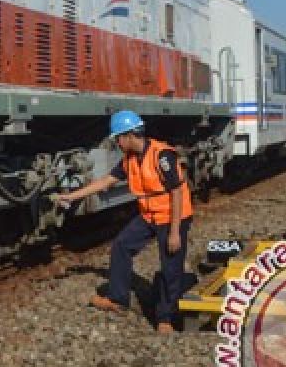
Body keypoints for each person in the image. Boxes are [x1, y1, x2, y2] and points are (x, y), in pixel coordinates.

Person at [55, 110, 193, 333]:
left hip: (172, 217)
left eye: (118, 137)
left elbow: (177, 192)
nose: (117, 142)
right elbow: (105, 182)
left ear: (129, 135)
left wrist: (175, 231)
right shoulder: (129, 159)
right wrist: (72, 196)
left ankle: (165, 318)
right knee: (121, 245)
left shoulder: (162, 156)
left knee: (170, 266)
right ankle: (117, 298)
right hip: (149, 215)